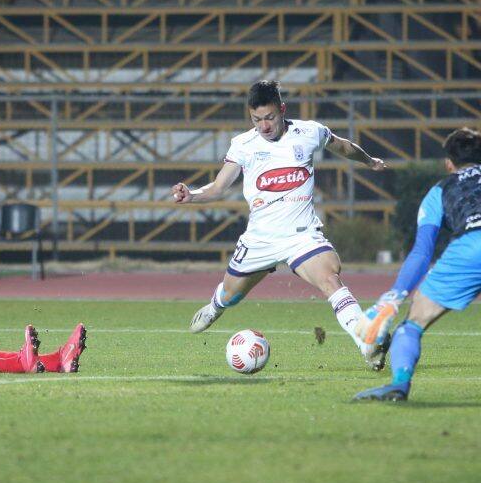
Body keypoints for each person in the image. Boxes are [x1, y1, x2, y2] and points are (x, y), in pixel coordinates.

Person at [172, 80, 387, 369]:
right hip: (260, 239)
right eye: (256, 119)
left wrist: (369, 160)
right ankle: (214, 307)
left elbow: (344, 147)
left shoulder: (309, 132)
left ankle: (367, 343)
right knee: (230, 295)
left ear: (282, 110)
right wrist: (192, 194)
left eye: (270, 117)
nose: (264, 126)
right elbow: (219, 187)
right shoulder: (244, 144)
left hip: (301, 236)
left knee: (330, 279)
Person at [354, 127, 481, 401]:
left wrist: (395, 295)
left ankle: (398, 384)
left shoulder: (440, 191)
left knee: (411, 325)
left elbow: (422, 252)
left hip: (470, 249)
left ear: (449, 163)